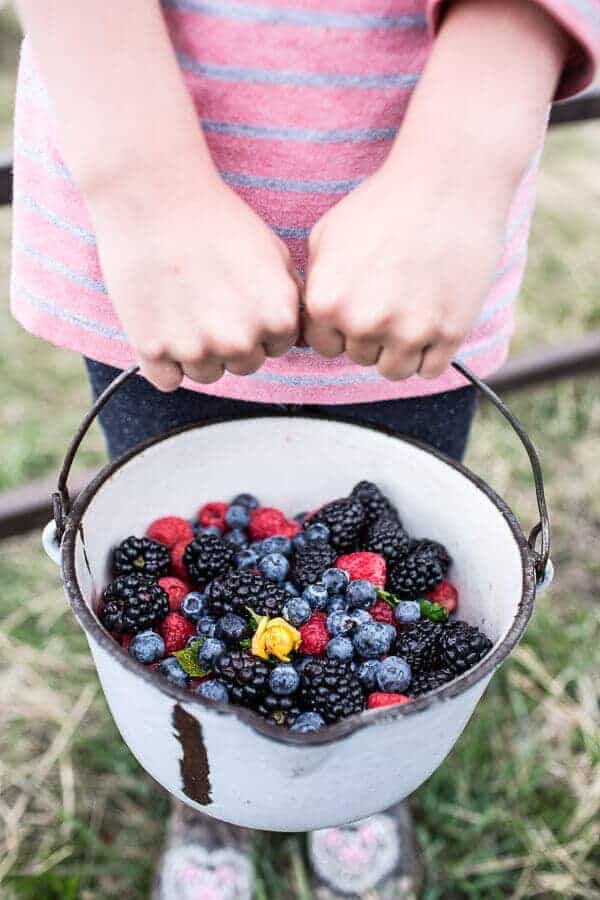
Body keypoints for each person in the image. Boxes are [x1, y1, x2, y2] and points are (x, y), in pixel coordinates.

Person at [10, 0, 598, 896]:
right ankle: (205, 775)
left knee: (401, 513)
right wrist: (145, 186)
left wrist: (461, 168)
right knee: (153, 477)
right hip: (150, 236)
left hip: (424, 249)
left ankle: (360, 772)